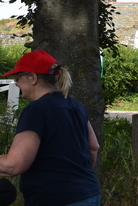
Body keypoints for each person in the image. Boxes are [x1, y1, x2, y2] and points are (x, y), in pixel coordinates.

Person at [0, 50, 101, 206]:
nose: (17, 84)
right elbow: (93, 147)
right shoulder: (75, 105)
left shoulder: (36, 110)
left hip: (54, 198)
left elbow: (14, 164)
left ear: (32, 78)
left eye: (17, 78)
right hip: (88, 194)